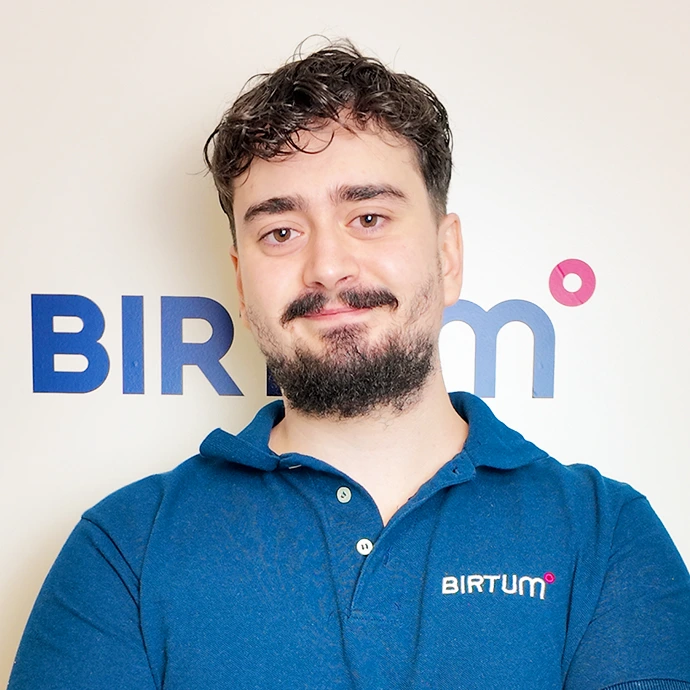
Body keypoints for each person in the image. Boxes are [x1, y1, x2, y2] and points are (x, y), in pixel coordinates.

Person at [8, 41, 690, 690]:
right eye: (281, 231)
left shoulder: (606, 535)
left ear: (447, 255)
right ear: (242, 281)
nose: (328, 266)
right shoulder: (124, 550)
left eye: (368, 217)